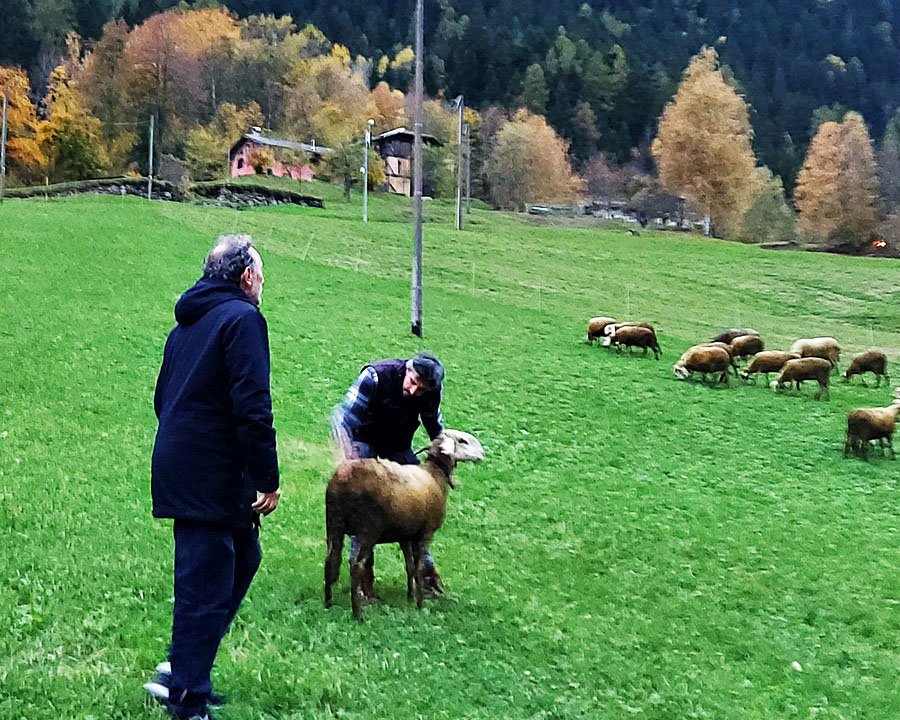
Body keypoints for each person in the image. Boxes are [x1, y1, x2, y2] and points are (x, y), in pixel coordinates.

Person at [145, 235, 281, 720]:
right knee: (205, 580)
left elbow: (163, 397)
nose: (263, 286)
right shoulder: (243, 318)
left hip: (186, 463)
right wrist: (267, 477)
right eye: (262, 277)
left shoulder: (188, 324)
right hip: (210, 472)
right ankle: (187, 698)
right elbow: (253, 405)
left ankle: (183, 667)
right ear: (247, 277)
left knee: (243, 557)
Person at [331, 353, 446, 597]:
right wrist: (349, 461)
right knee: (365, 508)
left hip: (398, 446)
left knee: (420, 501)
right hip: (363, 442)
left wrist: (444, 450)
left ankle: (425, 574)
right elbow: (343, 419)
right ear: (408, 369)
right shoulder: (375, 377)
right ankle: (362, 579)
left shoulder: (430, 392)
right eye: (413, 382)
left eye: (421, 389)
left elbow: (435, 427)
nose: (414, 391)